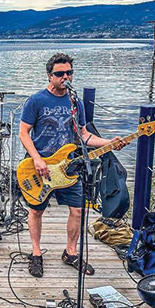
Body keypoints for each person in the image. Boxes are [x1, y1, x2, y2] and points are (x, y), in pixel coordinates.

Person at [19, 53, 127, 278]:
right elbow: (23, 132)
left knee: (77, 210)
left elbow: (83, 135)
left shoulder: (75, 102)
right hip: (42, 167)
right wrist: (37, 158)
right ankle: (36, 253)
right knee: (36, 210)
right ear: (49, 76)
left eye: (69, 73)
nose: (65, 77)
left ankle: (70, 252)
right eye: (60, 74)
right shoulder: (36, 101)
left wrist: (109, 143)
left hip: (69, 166)